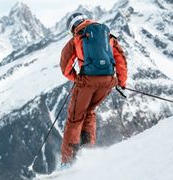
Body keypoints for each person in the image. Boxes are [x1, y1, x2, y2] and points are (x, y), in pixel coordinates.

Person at [59, 12, 127, 166]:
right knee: (89, 112)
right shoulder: (106, 36)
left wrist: (77, 78)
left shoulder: (77, 38)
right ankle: (88, 152)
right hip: (108, 81)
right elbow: (120, 59)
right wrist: (121, 81)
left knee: (75, 118)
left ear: (72, 27)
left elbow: (65, 67)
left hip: (87, 82)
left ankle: (68, 162)